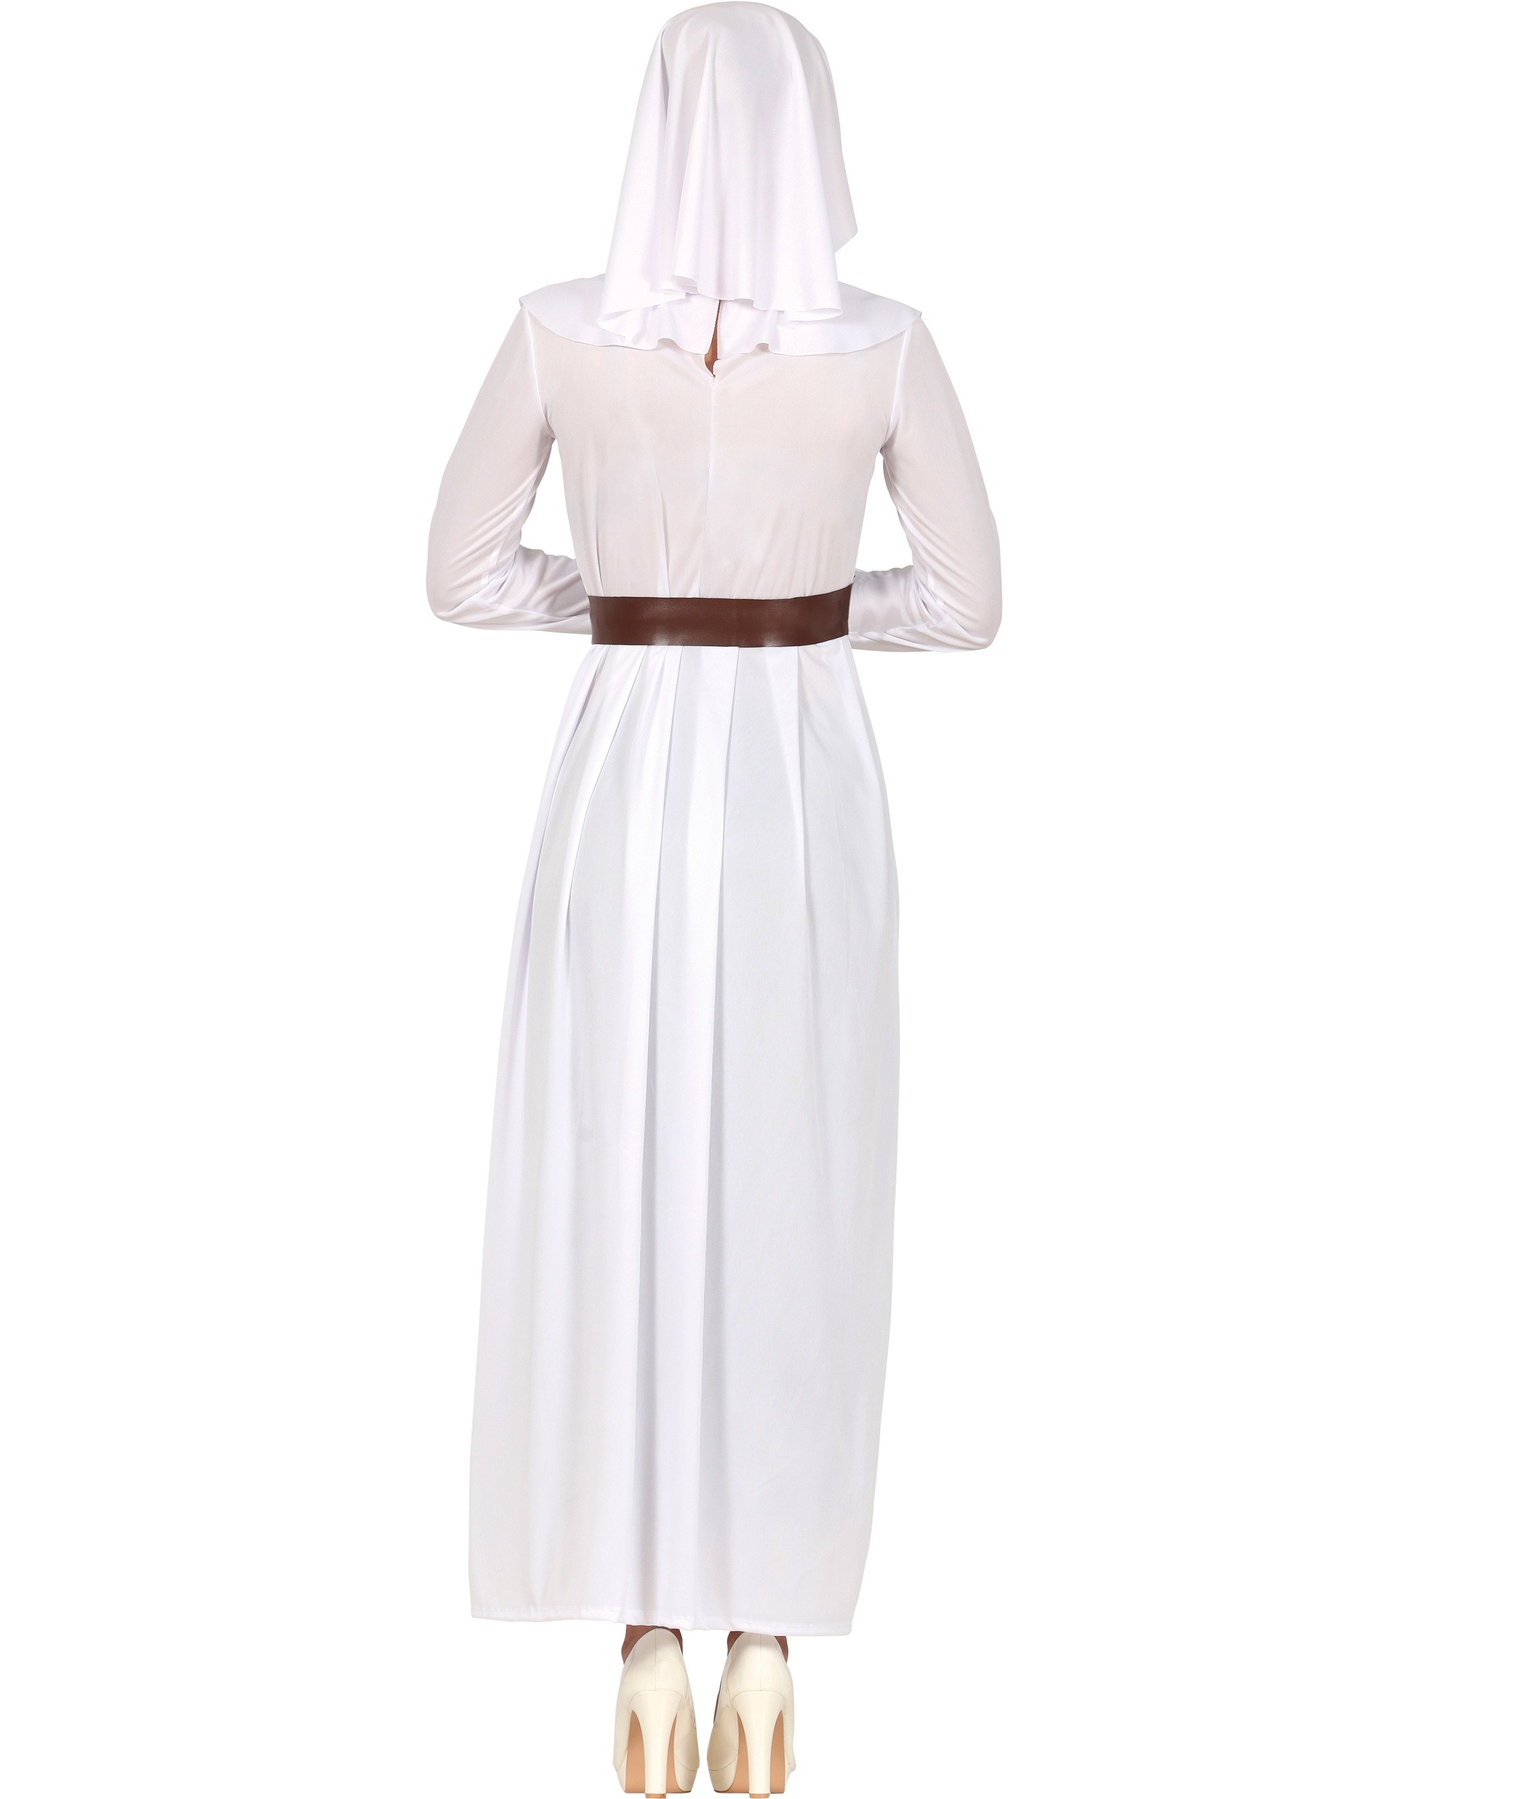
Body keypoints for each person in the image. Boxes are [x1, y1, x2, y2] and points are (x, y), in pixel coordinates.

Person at [426, 5, 1000, 1790]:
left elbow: (460, 573)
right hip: (797, 781)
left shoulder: (560, 332)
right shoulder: (884, 347)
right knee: (791, 1180)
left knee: (618, 1171)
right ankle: (766, 1637)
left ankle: (644, 1632)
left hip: (621, 772)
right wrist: (808, 617)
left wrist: (626, 608)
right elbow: (968, 603)